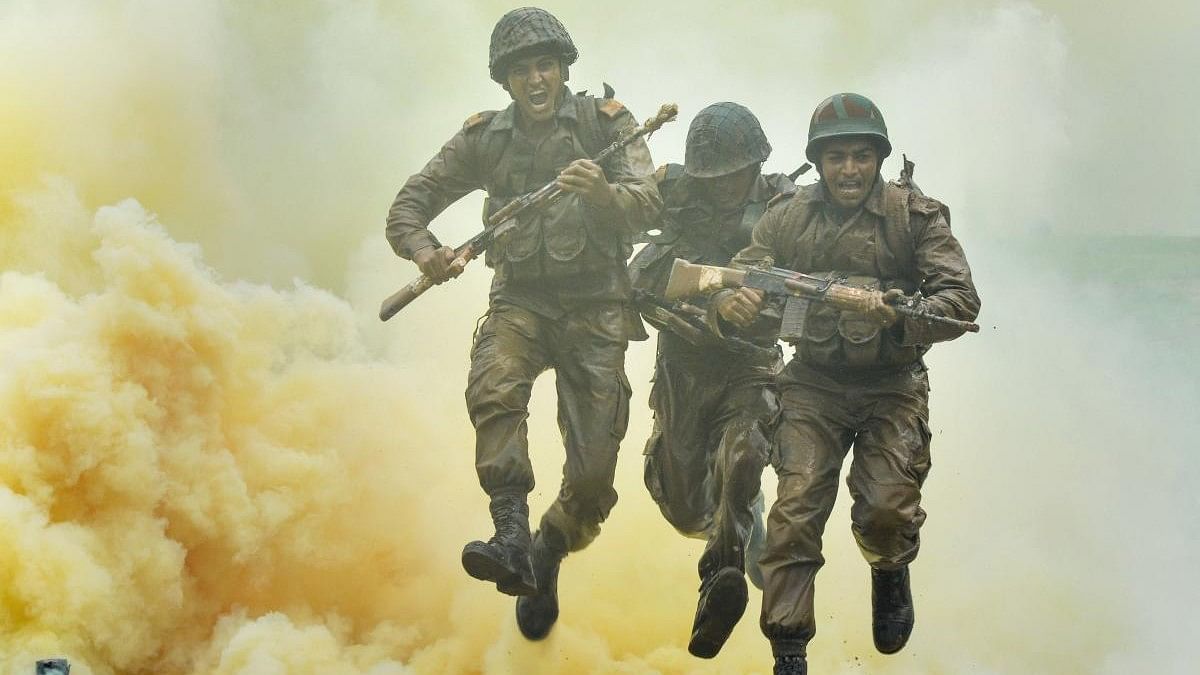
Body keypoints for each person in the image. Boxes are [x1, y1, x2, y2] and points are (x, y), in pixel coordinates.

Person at [384, 7, 660, 641]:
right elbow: (411, 202)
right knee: (494, 385)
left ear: (564, 69)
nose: (535, 80)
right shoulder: (486, 139)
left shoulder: (605, 124)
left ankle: (548, 548)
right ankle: (508, 528)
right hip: (522, 303)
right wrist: (425, 249)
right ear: (504, 81)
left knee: (592, 480)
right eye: (521, 71)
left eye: (545, 66)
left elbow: (648, 201)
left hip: (597, 308)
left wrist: (603, 193)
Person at [718, 92, 980, 674]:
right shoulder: (788, 216)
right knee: (794, 511)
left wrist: (900, 313)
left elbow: (961, 304)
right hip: (811, 385)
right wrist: (733, 303)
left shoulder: (916, 218)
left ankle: (889, 570)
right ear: (818, 161)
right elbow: (744, 272)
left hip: (893, 386)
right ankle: (789, 650)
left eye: (862, 156)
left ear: (880, 159)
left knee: (886, 510)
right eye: (836, 158)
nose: (850, 170)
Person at [628, 102, 794, 659]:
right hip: (685, 365)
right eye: (713, 179)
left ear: (756, 167)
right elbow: (641, 274)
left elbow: (823, 272)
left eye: (733, 177)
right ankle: (744, 534)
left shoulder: (784, 207)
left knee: (745, 454)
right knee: (683, 507)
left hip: (751, 365)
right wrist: (716, 299)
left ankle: (720, 576)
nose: (723, 190)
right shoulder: (677, 196)